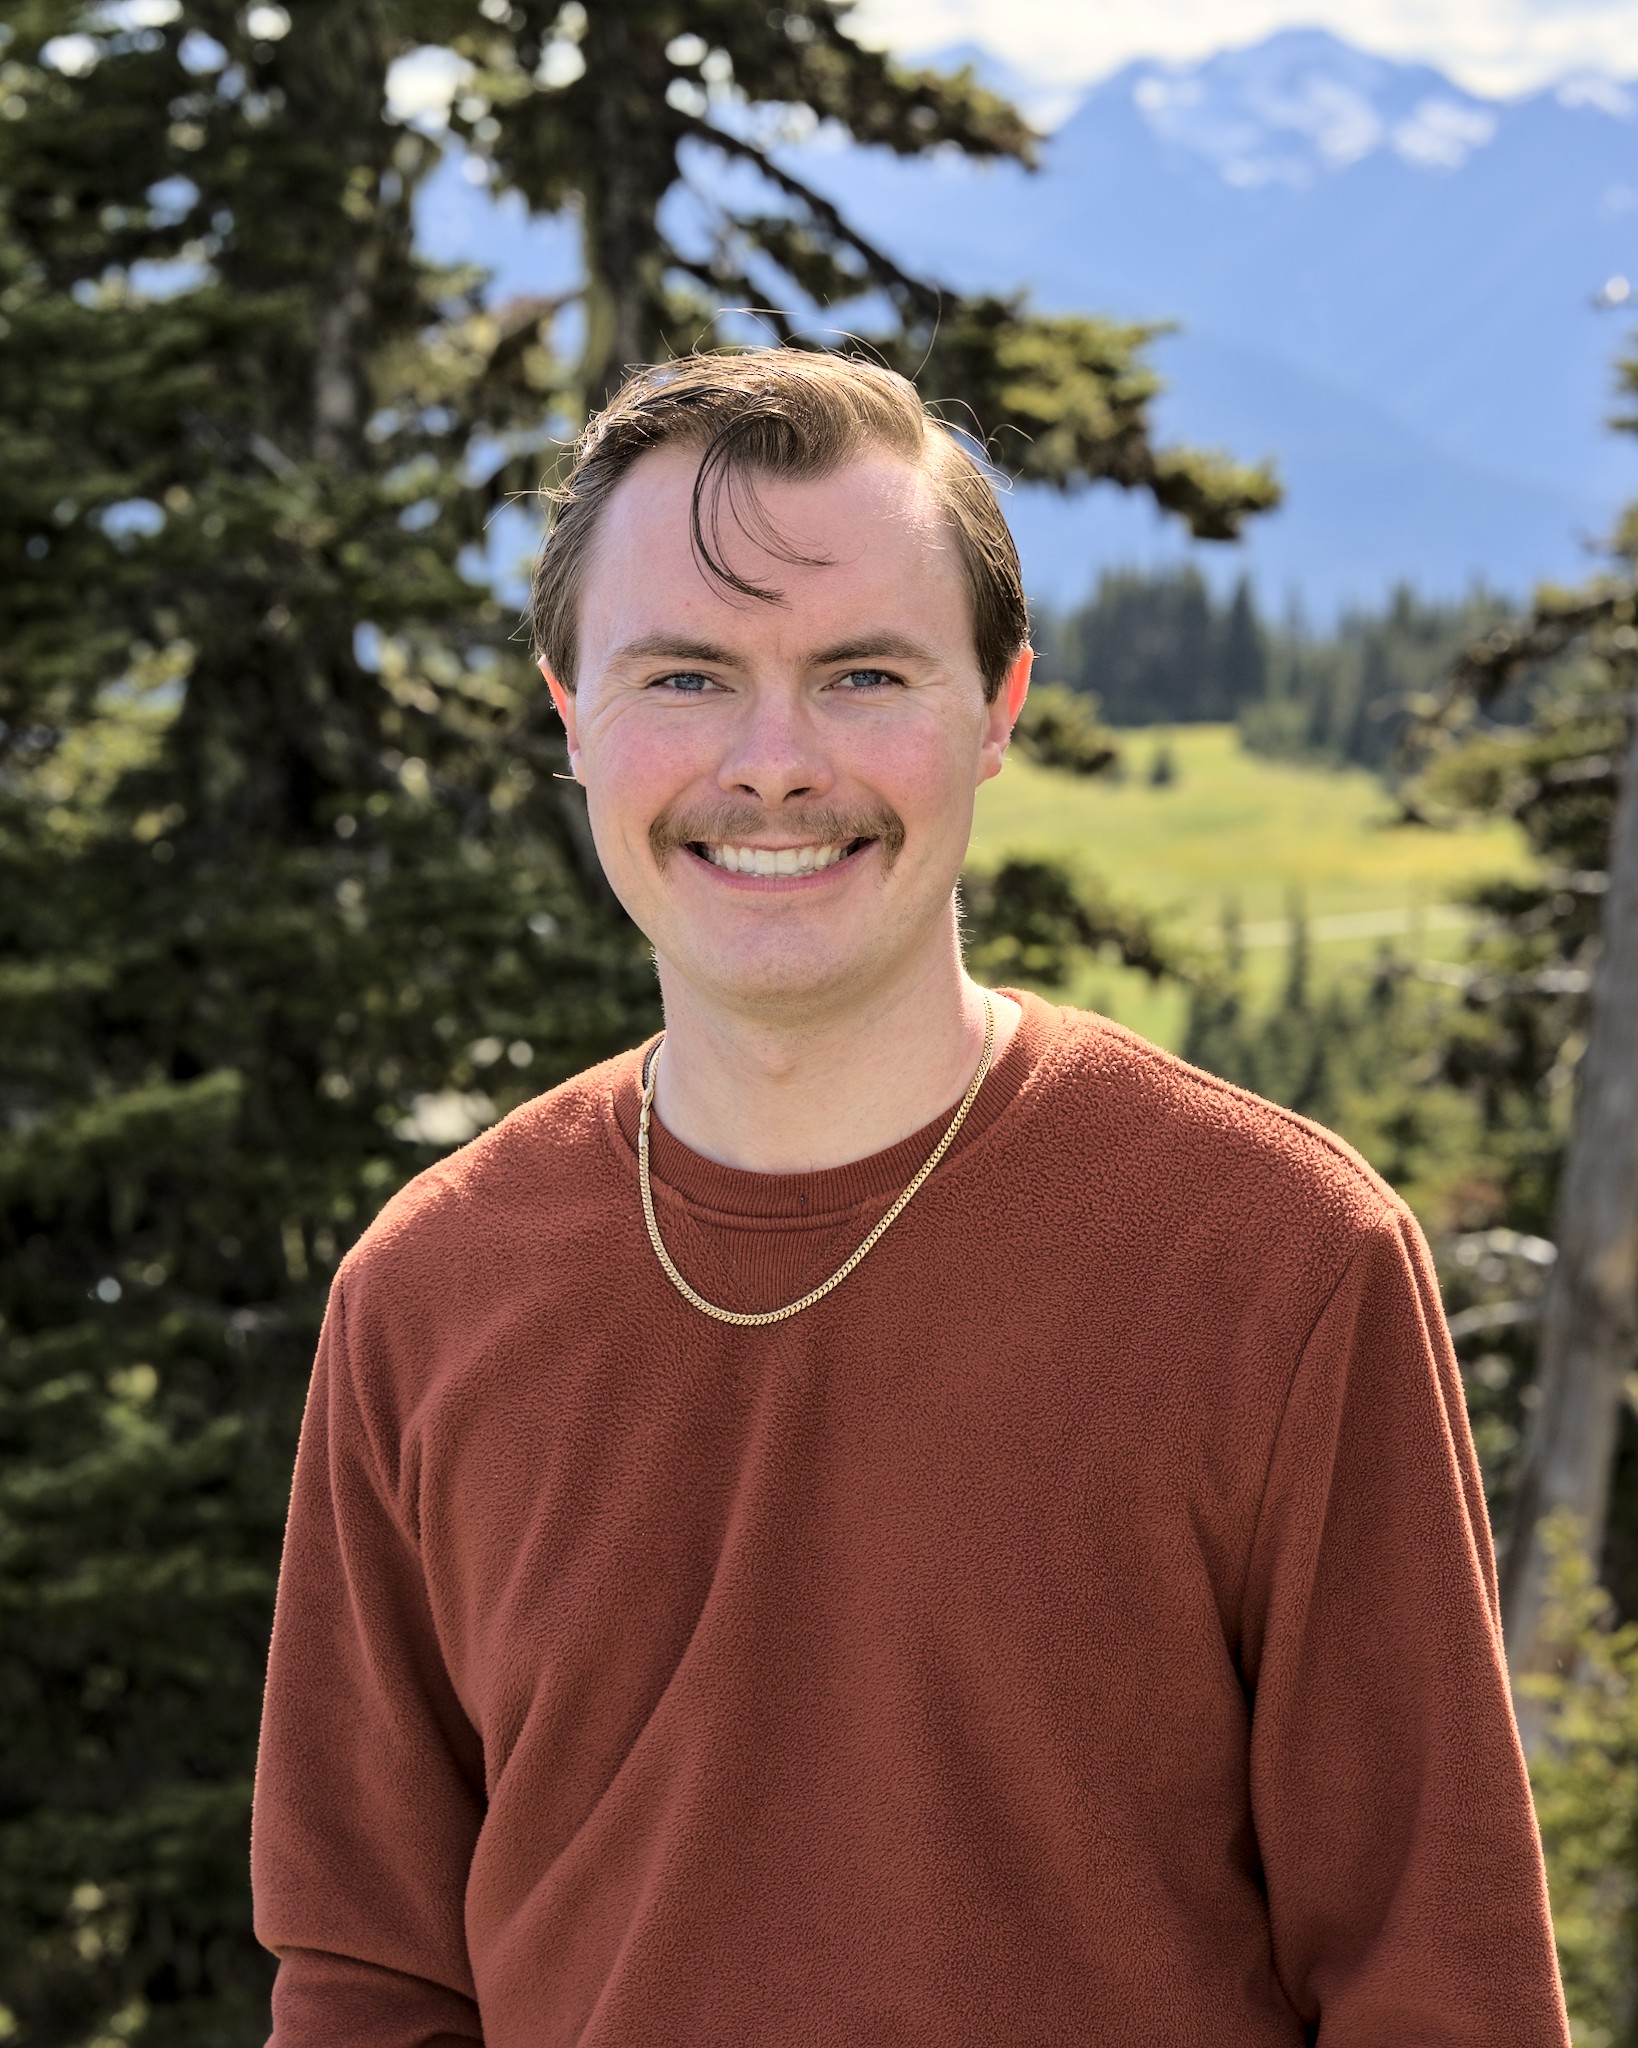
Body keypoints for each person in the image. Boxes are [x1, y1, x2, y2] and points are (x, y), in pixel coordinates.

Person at [251, 350, 1569, 2046]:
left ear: (999, 705)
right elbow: (370, 1982)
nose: (775, 762)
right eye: (685, 677)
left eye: (862, 673)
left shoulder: (1278, 1265)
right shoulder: (427, 1294)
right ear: (568, 717)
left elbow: (1435, 1989)